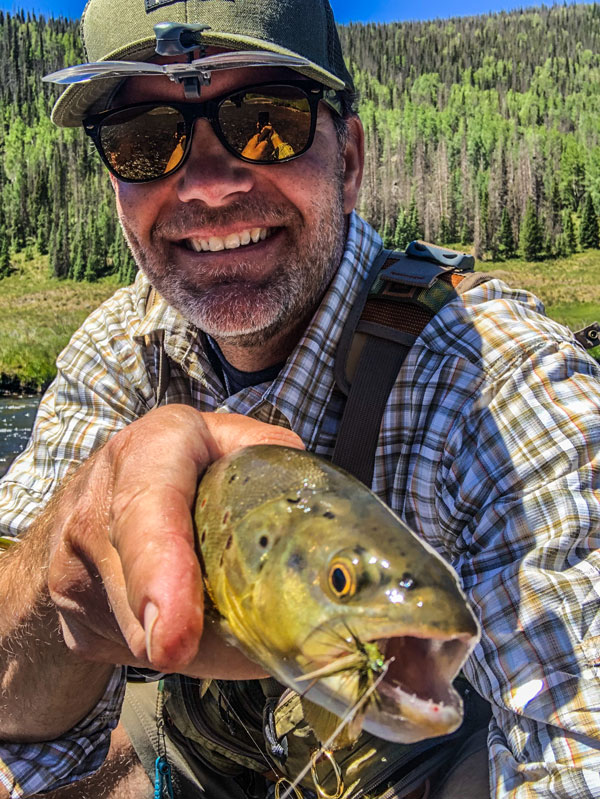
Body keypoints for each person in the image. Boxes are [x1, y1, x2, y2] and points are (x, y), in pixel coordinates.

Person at [0, 0, 599, 797]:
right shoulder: (120, 351)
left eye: (266, 121)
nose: (208, 186)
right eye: (145, 139)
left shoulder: (504, 388)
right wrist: (57, 570)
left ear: (349, 159)